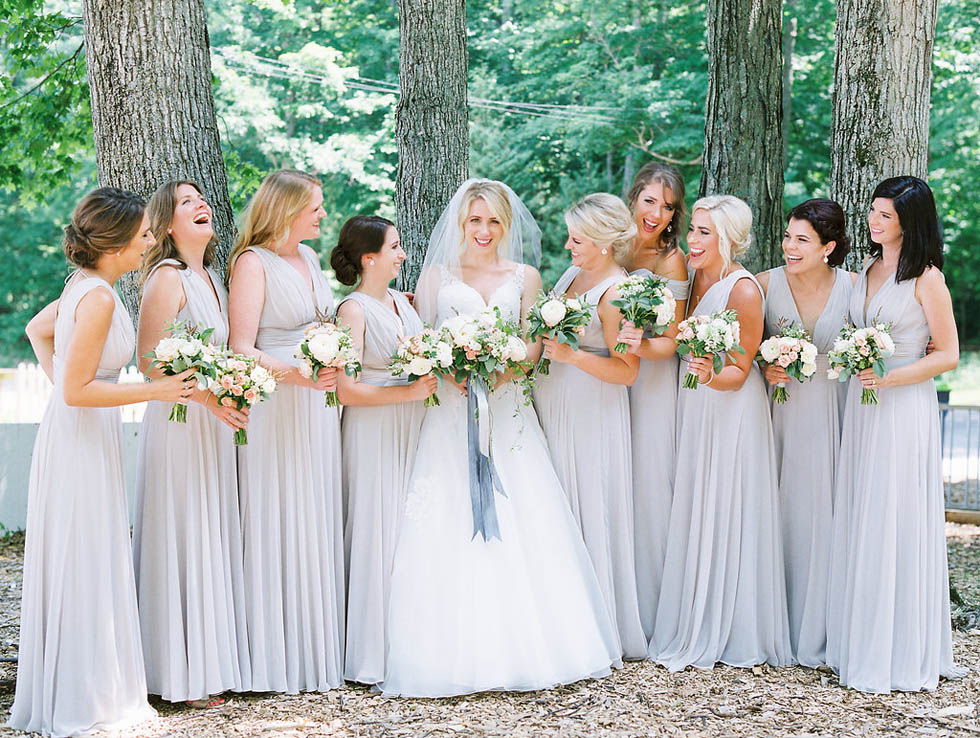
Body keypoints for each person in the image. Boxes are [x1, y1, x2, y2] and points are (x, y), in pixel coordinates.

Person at [380, 179, 621, 697]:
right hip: (450, 410)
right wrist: (451, 374)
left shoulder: (526, 276)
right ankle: (445, 650)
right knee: (446, 512)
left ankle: (535, 645)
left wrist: (503, 377)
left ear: (506, 224)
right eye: (474, 220)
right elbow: (420, 340)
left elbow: (533, 345)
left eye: (493, 221)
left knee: (525, 513)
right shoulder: (436, 276)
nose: (484, 230)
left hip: (510, 411)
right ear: (460, 224)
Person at [9, 187, 194, 736]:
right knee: (84, 553)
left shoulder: (86, 287)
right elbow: (78, 391)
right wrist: (155, 393)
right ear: (114, 243)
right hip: (80, 438)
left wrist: (64, 388)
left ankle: (88, 686)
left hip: (82, 435)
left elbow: (37, 334)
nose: (148, 242)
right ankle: (82, 697)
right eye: (141, 234)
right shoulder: (100, 299)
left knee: (89, 552)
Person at [826, 176, 964, 692]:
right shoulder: (867, 268)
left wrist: (889, 376)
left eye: (885, 215)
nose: (874, 221)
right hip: (863, 406)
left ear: (910, 221)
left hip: (903, 406)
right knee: (864, 511)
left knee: (895, 513)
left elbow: (948, 354)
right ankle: (861, 636)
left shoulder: (927, 278)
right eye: (874, 212)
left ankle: (900, 646)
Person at [650, 195, 792, 671]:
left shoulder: (743, 289)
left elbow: (741, 368)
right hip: (693, 401)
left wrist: (709, 377)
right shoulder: (690, 280)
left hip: (729, 409)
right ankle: (691, 609)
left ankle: (732, 624)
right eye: (693, 230)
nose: (692, 239)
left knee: (726, 503)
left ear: (728, 238)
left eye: (704, 232)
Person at [132, 180, 250, 707]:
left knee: (209, 530)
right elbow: (149, 360)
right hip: (180, 421)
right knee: (181, 532)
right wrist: (205, 396)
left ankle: (206, 662)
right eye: (186, 202)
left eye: (200, 198)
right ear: (166, 224)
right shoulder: (166, 276)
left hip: (212, 423)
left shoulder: (213, 280)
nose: (200, 205)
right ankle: (176, 675)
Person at [228, 169, 344, 693]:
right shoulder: (254, 264)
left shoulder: (313, 259)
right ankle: (271, 654)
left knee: (313, 511)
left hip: (315, 403)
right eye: (315, 206)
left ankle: (312, 648)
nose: (322, 214)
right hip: (277, 402)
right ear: (287, 209)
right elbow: (242, 346)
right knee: (278, 512)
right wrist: (297, 373)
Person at [533, 193, 647, 659]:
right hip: (554, 402)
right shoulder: (571, 276)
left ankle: (594, 629)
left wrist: (573, 355)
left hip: (591, 410)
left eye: (577, 238)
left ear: (601, 243)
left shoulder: (617, 293)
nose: (568, 244)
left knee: (588, 507)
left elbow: (628, 371)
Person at [331, 215, 436, 685]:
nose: (403, 254)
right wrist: (408, 394)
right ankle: (369, 654)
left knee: (408, 533)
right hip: (373, 429)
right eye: (394, 247)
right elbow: (346, 390)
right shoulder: (352, 311)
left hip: (411, 425)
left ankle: (411, 642)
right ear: (369, 258)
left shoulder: (400, 300)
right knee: (376, 531)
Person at [755, 198, 854, 667]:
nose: (789, 247)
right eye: (787, 236)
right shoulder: (764, 284)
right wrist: (763, 365)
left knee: (825, 514)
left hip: (833, 417)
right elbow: (742, 348)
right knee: (777, 510)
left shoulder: (855, 289)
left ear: (828, 247)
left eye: (802, 240)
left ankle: (822, 626)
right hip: (777, 415)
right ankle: (771, 622)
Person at [615, 163, 691, 641]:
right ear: (634, 197)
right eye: (650, 201)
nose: (657, 214)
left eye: (668, 207)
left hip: (651, 382)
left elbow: (672, 342)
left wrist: (633, 343)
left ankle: (651, 610)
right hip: (606, 378)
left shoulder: (672, 261)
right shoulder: (612, 241)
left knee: (646, 481)